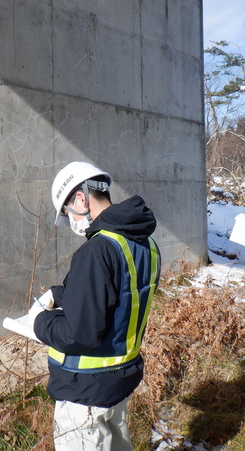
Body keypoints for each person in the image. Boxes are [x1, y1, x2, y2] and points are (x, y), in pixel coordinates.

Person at [31, 161, 161, 451]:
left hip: (85, 393)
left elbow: (78, 334)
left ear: (80, 198)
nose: (71, 219)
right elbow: (119, 293)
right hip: (119, 381)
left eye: (67, 211)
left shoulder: (96, 250)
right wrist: (62, 293)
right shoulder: (144, 243)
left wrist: (39, 322)